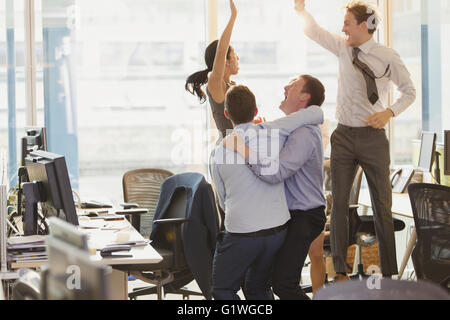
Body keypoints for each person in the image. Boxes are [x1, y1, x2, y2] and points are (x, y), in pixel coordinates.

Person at [294, 0, 416, 281]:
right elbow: (315, 32)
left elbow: (409, 92)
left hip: (373, 138)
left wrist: (388, 112)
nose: (343, 28)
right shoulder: (343, 48)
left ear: (365, 25)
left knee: (382, 206)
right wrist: (301, 10)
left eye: (348, 22)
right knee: (338, 204)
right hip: (344, 136)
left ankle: (388, 275)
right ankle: (340, 271)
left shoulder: (388, 56)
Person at [211, 84, 324, 300]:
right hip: (278, 230)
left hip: (243, 231)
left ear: (226, 114)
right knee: (258, 286)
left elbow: (222, 199)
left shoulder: (220, 150)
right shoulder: (276, 133)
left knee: (222, 289)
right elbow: (316, 113)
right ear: (255, 112)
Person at [185, 0, 239, 139]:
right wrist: (233, 16)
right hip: (228, 155)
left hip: (238, 151)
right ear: (225, 61)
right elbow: (221, 50)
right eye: (234, 54)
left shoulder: (232, 86)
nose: (238, 58)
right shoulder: (215, 84)